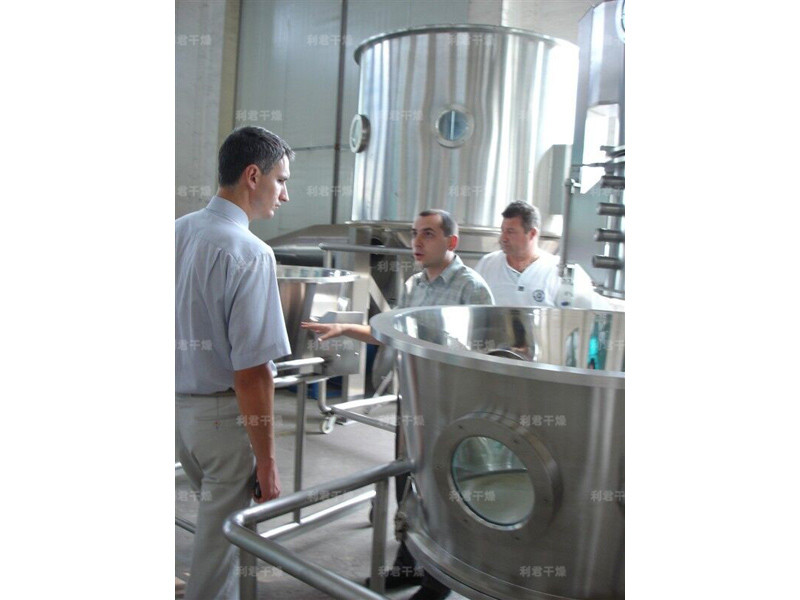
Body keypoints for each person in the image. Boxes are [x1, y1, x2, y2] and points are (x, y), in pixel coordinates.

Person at [302, 209, 493, 600]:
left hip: (452, 409)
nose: (417, 242)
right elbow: (391, 334)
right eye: (415, 233)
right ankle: (407, 565)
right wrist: (345, 328)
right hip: (414, 402)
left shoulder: (472, 289)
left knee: (443, 490)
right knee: (408, 483)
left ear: (452, 242)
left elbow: (485, 356)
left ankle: (439, 582)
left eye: (428, 234)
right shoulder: (415, 285)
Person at [175, 126, 293, 599]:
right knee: (217, 553)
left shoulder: (176, 232)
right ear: (252, 176)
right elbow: (252, 373)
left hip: (180, 415)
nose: (284, 194)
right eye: (281, 180)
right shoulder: (251, 253)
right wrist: (266, 461)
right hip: (224, 421)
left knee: (212, 534)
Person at [475, 201, 612, 309]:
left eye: (511, 232)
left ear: (532, 233)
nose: (503, 238)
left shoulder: (559, 271)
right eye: (503, 231)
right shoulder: (487, 265)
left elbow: (591, 311)